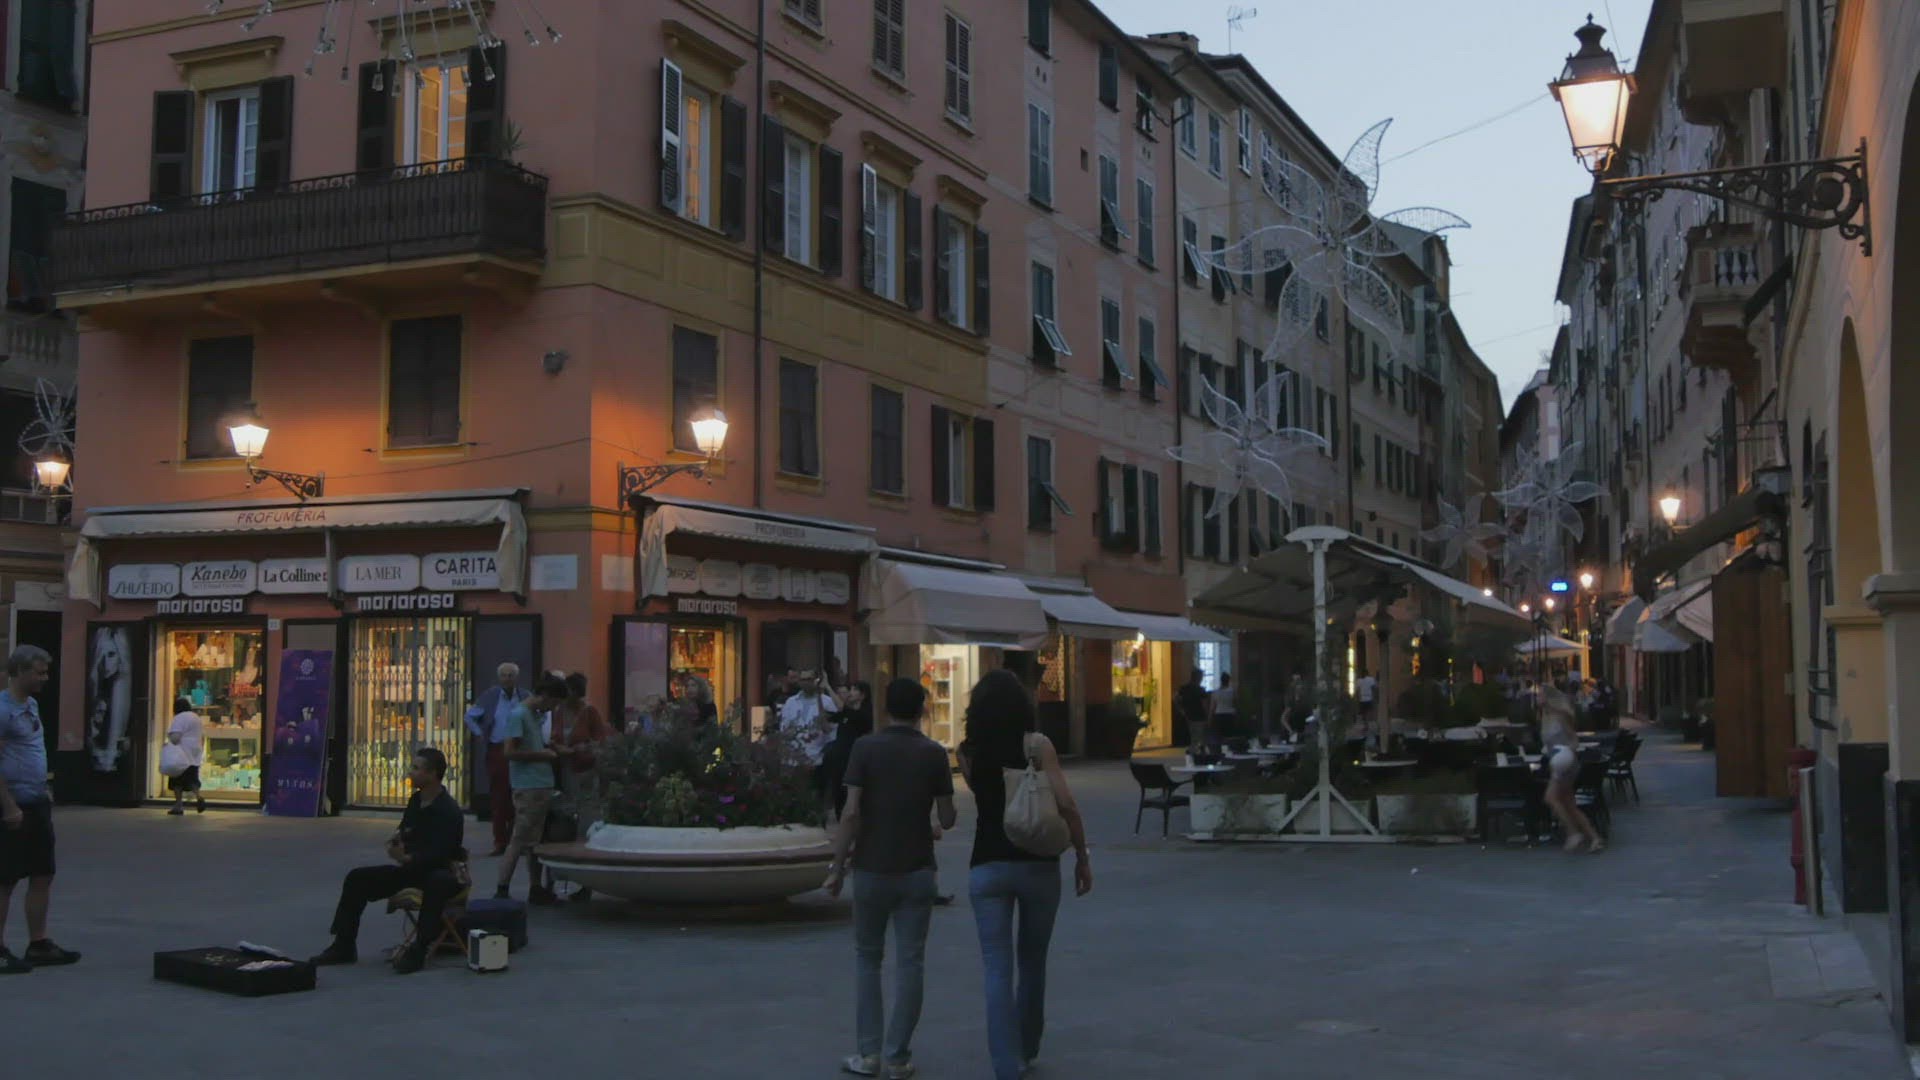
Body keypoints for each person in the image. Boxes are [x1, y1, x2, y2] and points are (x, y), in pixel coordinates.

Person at [958, 669, 1092, 1080]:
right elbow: (1066, 804)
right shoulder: (1037, 745)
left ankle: (1005, 1065)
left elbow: (985, 797)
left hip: (987, 865)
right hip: (1038, 864)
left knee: (996, 967)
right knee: (1033, 962)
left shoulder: (967, 752)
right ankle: (1028, 1046)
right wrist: (1081, 855)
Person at [824, 678, 957, 1079]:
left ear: (885, 708)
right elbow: (947, 817)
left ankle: (868, 1055)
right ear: (922, 710)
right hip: (918, 869)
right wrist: (932, 820)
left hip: (871, 867)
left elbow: (851, 813)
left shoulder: (865, 748)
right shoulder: (934, 753)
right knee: (911, 961)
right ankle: (898, 1056)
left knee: (868, 959)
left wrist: (836, 867)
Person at [311, 748, 465, 974]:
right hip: (412, 869)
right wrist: (396, 842)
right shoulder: (416, 801)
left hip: (441, 872)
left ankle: (420, 949)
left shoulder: (448, 810)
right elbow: (405, 830)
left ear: (432, 774)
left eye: (416, 768)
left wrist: (408, 857)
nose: (410, 772)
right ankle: (343, 945)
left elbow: (442, 854)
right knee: (357, 878)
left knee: (437, 882)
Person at [0, 646, 76, 974]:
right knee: (5, 879)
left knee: (43, 873)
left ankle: (38, 943)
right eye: (39, 672)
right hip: (12, 806)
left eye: (46, 672)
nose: (45, 678)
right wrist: (8, 806)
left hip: (37, 801)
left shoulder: (31, 705)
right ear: (19, 672)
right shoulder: (2, 710)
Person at [496, 675, 567, 903]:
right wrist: (541, 755)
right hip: (529, 785)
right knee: (520, 838)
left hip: (540, 784)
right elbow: (509, 752)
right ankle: (502, 887)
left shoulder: (534, 716)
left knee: (535, 841)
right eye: (554, 703)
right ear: (545, 696)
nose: (553, 709)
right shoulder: (519, 715)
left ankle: (536, 887)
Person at [550, 671, 614, 901]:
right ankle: (564, 875)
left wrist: (583, 749)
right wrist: (560, 749)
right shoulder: (558, 712)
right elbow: (554, 739)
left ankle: (586, 884)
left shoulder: (589, 712)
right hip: (565, 771)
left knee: (585, 823)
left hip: (586, 772)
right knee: (566, 820)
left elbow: (601, 742)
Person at [464, 662, 530, 857]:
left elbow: (540, 716)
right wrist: (480, 734)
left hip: (519, 748)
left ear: (517, 678)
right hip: (497, 749)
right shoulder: (490, 696)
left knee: (519, 796)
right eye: (504, 675)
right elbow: (469, 717)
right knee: (499, 797)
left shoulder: (525, 696)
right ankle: (500, 841)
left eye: (511, 675)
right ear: (499, 677)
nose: (507, 679)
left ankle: (517, 841)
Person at [1539, 687, 1604, 854]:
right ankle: (1594, 838)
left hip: (1564, 761)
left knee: (1551, 797)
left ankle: (1573, 832)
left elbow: (1574, 739)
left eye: (1540, 695)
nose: (1537, 698)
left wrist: (1566, 751)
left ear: (1549, 698)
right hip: (1557, 760)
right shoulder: (1545, 717)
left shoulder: (1560, 716)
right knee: (1569, 804)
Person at [780, 670, 841, 804]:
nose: (805, 683)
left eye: (809, 679)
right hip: (793, 761)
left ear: (816, 681)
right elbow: (784, 729)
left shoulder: (827, 702)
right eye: (803, 679)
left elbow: (832, 733)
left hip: (817, 760)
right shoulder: (791, 702)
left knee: (815, 800)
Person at [825, 681, 875, 819]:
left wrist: (827, 686)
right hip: (839, 758)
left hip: (853, 758)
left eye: (854, 690)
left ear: (863, 695)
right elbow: (829, 717)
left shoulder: (863, 714)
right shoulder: (847, 713)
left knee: (850, 793)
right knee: (838, 790)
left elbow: (841, 708)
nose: (850, 693)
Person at [165, 697, 206, 816]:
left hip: (181, 753)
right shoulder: (196, 718)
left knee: (177, 781)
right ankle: (198, 796)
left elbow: (175, 737)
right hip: (195, 752)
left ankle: (178, 805)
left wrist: (169, 741)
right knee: (192, 777)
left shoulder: (179, 718)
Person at [1174, 668, 1211, 752]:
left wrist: (1180, 710)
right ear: (1198, 678)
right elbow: (1205, 704)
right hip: (1199, 716)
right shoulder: (1201, 690)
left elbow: (1175, 698)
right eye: (1201, 677)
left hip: (1188, 715)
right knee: (1199, 736)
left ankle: (1193, 750)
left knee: (1192, 736)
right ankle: (1197, 751)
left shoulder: (1183, 688)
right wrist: (1208, 716)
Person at [1211, 673, 1238, 741]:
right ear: (1228, 681)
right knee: (1229, 735)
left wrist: (1210, 717)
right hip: (1230, 714)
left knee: (1219, 736)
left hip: (1219, 714)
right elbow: (1235, 704)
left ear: (1221, 680)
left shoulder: (1215, 692)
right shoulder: (1232, 692)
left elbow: (1213, 706)